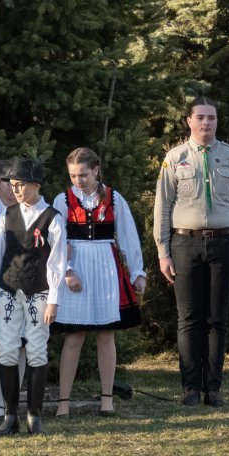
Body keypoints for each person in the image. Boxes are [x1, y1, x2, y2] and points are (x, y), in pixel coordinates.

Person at [153, 97, 229, 407]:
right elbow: (163, 205)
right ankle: (190, 389)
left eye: (211, 117)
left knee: (217, 319)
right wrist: (163, 250)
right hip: (185, 244)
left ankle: (213, 388)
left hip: (224, 243)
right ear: (189, 121)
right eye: (200, 117)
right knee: (188, 319)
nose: (206, 123)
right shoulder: (175, 157)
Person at [49, 148, 146, 417]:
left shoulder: (114, 198)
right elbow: (56, 241)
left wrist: (138, 272)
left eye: (83, 175)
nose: (78, 180)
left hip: (105, 265)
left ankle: (107, 400)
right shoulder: (62, 200)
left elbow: (128, 236)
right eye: (73, 176)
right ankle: (63, 403)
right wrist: (66, 270)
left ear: (96, 170)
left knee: (106, 333)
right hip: (76, 266)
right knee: (74, 335)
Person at [0, 158, 66, 436]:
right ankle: (10, 415)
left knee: (35, 348)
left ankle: (34, 414)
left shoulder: (52, 218)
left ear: (36, 185)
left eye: (21, 185)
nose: (16, 190)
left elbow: (57, 261)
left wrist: (54, 299)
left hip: (38, 290)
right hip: (9, 288)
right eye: (13, 185)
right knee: (7, 348)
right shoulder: (7, 215)